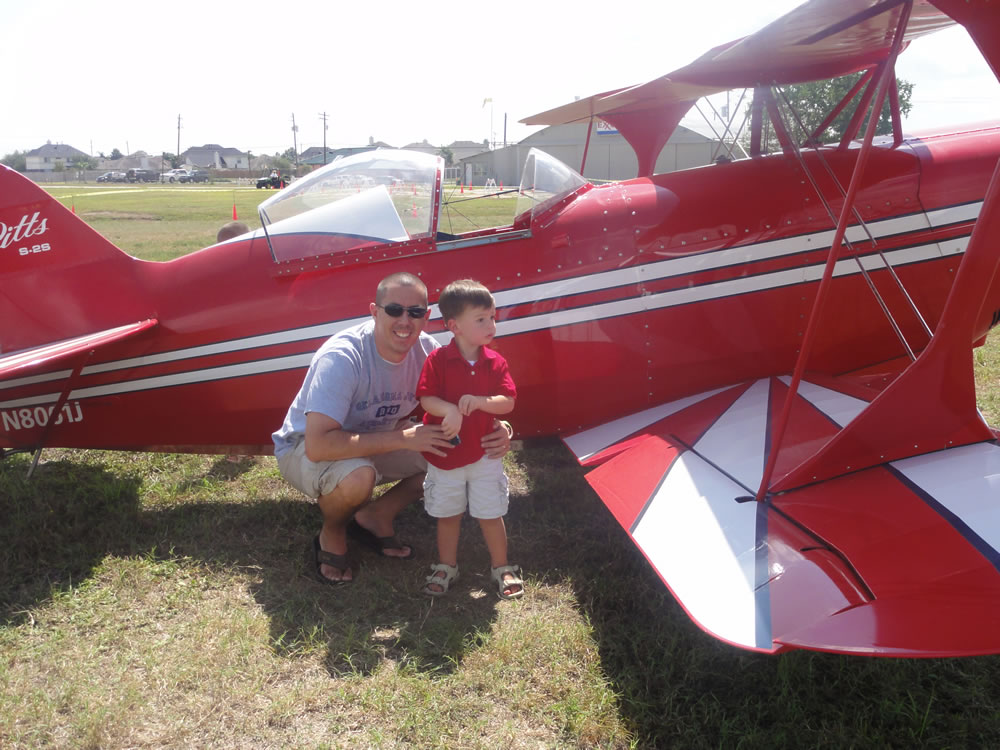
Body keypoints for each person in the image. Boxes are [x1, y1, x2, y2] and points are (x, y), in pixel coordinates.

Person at [272, 272, 512, 585]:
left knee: (451, 453)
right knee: (359, 476)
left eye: (415, 312)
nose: (405, 321)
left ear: (427, 316)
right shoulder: (343, 356)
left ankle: (376, 516)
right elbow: (318, 446)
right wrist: (403, 438)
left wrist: (501, 426)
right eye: (394, 310)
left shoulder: (429, 352)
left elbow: (464, 404)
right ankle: (332, 532)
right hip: (306, 447)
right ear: (375, 311)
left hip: (379, 440)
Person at [416, 279, 523, 599]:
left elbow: (508, 402)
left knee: (490, 513)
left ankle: (501, 566)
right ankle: (447, 565)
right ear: (454, 326)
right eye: (481, 319)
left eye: (492, 317)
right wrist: (449, 409)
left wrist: (479, 402)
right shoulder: (438, 360)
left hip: (484, 455)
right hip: (445, 454)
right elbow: (426, 398)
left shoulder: (495, 362)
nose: (491, 325)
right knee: (448, 515)